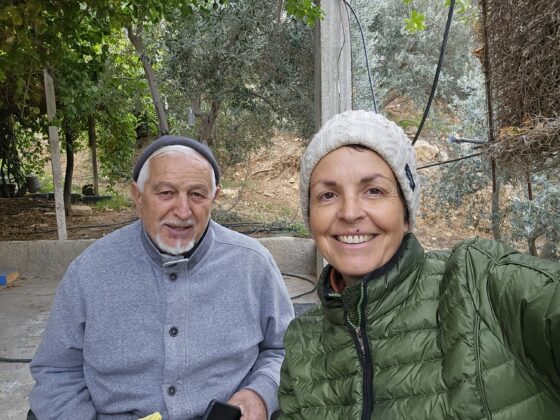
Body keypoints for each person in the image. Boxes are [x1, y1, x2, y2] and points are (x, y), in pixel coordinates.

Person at [278, 110, 560, 419]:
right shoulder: (302, 342)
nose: (349, 212)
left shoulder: (477, 281)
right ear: (310, 217)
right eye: (328, 195)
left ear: (406, 211)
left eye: (374, 191)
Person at [29, 136, 295, 420]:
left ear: (214, 197)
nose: (182, 211)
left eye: (197, 194)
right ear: (137, 195)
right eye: (166, 193)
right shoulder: (89, 271)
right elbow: (57, 372)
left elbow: (286, 350)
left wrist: (261, 393)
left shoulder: (253, 264)